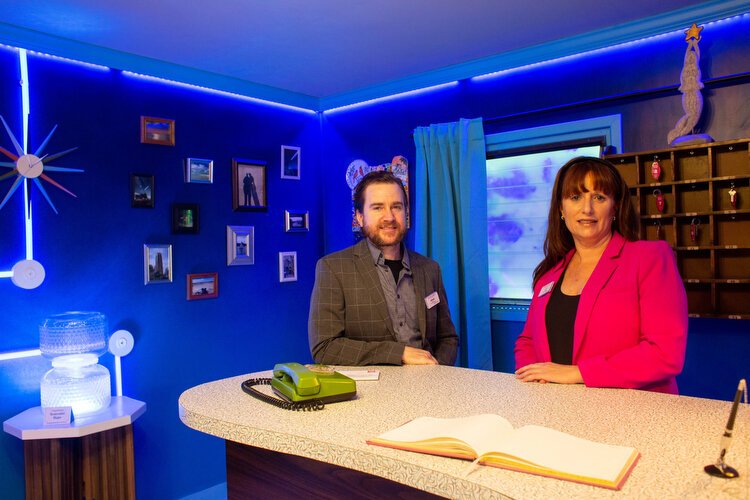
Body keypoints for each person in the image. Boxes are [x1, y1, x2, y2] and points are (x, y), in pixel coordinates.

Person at [514, 156, 687, 394]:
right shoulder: (548, 274)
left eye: (599, 197)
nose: (587, 208)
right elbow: (528, 342)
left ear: (615, 207)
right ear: (561, 209)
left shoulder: (649, 258)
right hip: (558, 406)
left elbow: (664, 353)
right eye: (575, 197)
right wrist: (537, 379)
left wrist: (577, 373)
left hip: (635, 412)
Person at [309, 170, 458, 366]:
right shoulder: (333, 268)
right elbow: (325, 347)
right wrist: (399, 353)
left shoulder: (430, 269)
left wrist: (436, 371)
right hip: (369, 393)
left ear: (406, 212)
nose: (389, 217)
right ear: (360, 217)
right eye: (378, 208)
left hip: (428, 387)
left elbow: (448, 338)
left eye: (396, 207)